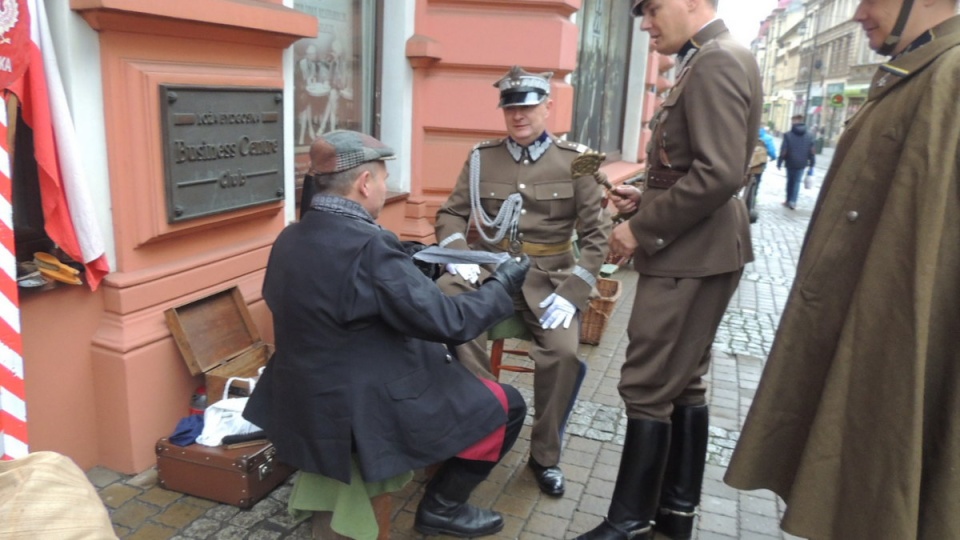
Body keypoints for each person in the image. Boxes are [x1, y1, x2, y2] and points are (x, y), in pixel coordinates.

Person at [724, 2, 960, 539]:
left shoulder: (950, 78)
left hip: (896, 356)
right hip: (868, 343)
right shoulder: (916, 72)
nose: (856, 13)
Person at [243, 130, 533, 538]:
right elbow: (451, 321)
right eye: (382, 178)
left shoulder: (291, 236)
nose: (383, 187)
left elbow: (335, 295)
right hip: (364, 407)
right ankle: (443, 508)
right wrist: (502, 286)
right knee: (506, 404)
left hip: (303, 397)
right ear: (364, 183)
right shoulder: (371, 248)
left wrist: (412, 267)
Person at [576, 1, 761, 538]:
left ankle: (630, 520)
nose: (646, 22)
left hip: (690, 252)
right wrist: (648, 196)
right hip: (698, 247)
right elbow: (693, 168)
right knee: (682, 385)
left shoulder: (717, 59)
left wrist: (638, 230)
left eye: (652, 8)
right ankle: (673, 516)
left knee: (647, 383)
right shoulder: (713, 55)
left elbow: (721, 172)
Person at [434, 66, 612, 498]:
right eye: (511, 107)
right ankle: (487, 416)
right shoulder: (482, 157)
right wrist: (458, 256)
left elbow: (597, 237)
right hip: (492, 272)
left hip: (549, 281)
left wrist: (575, 293)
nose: (519, 116)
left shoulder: (577, 161)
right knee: (445, 306)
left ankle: (545, 455)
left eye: (528, 106)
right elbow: (451, 213)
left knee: (564, 354)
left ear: (548, 107)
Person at [776, 114, 815, 210]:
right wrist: (812, 163)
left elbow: (784, 150)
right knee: (797, 182)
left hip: (790, 161)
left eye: (792, 121)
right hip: (802, 163)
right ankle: (793, 201)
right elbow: (812, 151)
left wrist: (780, 162)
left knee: (790, 181)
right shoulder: (810, 135)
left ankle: (788, 200)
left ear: (795, 121)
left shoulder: (788, 135)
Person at [743, 127, 777, 223]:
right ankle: (751, 203)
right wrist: (773, 157)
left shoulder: (748, 133)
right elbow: (771, 150)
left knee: (743, 181)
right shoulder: (767, 138)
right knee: (755, 184)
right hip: (758, 167)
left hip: (747, 165)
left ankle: (742, 199)